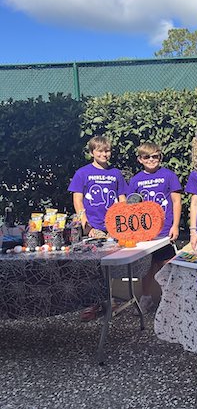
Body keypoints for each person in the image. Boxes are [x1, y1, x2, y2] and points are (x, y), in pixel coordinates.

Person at [68, 135, 127, 321]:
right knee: (92, 266)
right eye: (100, 151)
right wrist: (85, 223)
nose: (104, 154)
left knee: (108, 266)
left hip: (113, 226)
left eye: (107, 150)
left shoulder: (116, 173)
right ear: (92, 152)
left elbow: (122, 199)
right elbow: (77, 199)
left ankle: (108, 300)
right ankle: (91, 304)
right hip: (93, 226)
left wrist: (120, 224)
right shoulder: (82, 173)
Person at [127, 142, 181, 313]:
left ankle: (171, 300)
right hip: (145, 234)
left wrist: (176, 226)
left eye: (155, 156)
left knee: (168, 266)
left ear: (160, 157)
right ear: (140, 159)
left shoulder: (169, 175)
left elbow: (176, 201)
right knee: (147, 268)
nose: (151, 160)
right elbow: (132, 208)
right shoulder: (135, 180)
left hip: (165, 232)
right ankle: (146, 298)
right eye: (146, 157)